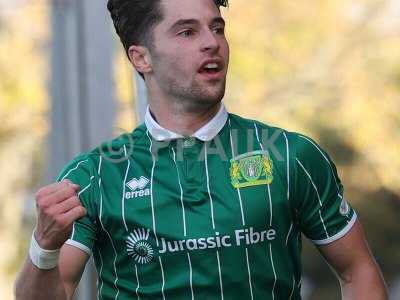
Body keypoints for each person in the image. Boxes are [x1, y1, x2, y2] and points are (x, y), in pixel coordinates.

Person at [15, 0, 388, 299]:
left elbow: (359, 271)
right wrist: (43, 248)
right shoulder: (94, 174)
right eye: (187, 31)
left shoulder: (290, 155)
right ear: (141, 58)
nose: (211, 42)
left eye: (217, 27)